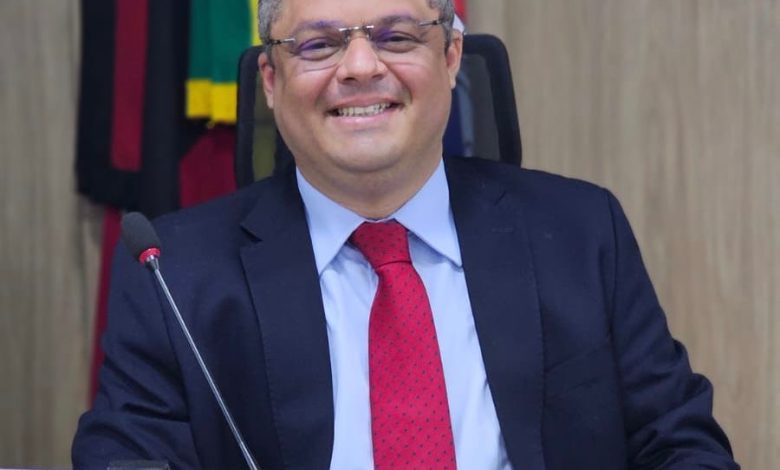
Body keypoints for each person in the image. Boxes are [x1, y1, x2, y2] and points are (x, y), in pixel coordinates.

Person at [73, 0, 739, 468]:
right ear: (270, 81)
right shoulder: (174, 274)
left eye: (395, 37)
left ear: (451, 57)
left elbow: (682, 447)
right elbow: (127, 458)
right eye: (319, 44)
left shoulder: (581, 233)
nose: (361, 67)